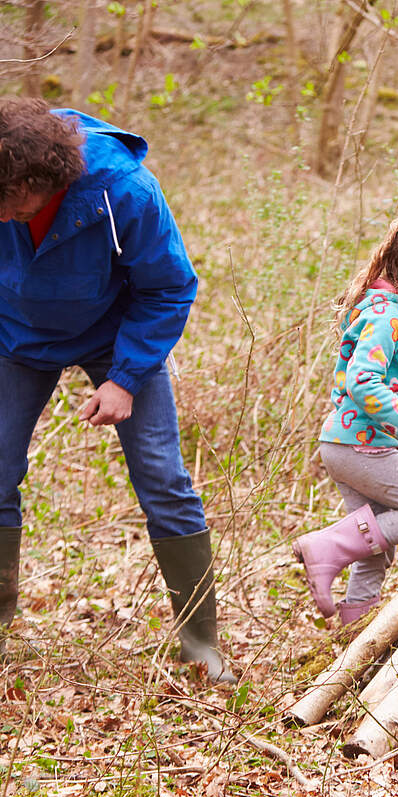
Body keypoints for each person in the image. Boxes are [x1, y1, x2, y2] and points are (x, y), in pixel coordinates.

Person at [0, 99, 234, 682]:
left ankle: (201, 646)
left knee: (163, 477)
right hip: (14, 336)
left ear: (39, 180)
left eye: (8, 200)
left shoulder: (122, 190)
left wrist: (125, 378)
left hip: (117, 335)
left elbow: (169, 287)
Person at [292, 198, 398, 626]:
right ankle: (326, 547)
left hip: (346, 444)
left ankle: (353, 640)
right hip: (362, 447)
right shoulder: (388, 314)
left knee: (373, 546)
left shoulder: (384, 306)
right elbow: (362, 382)